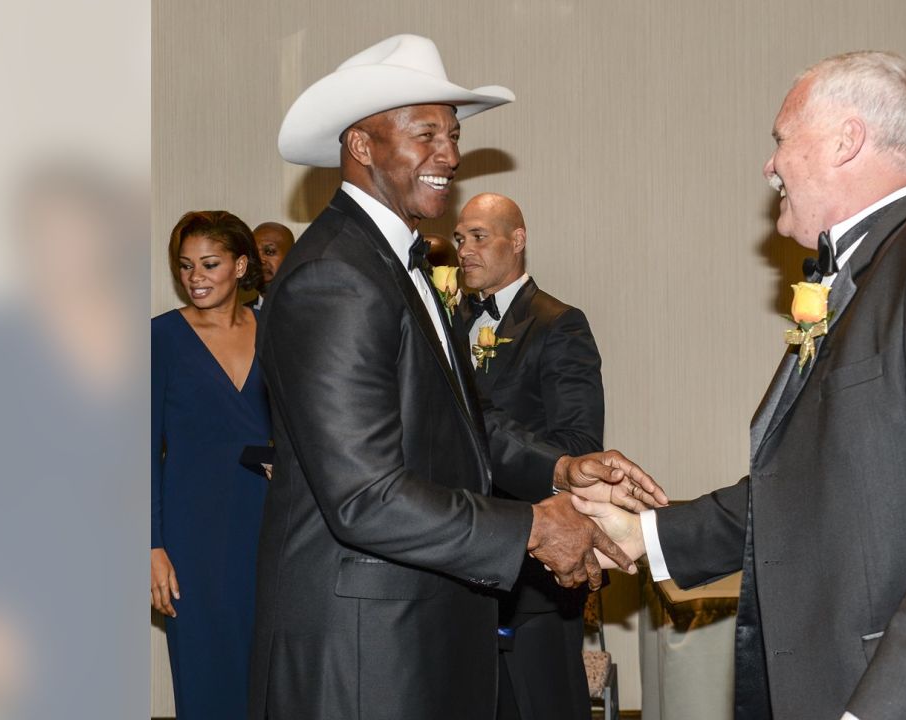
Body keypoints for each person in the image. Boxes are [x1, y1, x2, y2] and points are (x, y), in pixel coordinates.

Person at [577, 51, 906, 718]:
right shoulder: (870, 273)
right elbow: (814, 484)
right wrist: (645, 535)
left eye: (781, 139)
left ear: (846, 139)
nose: (770, 166)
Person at [252, 34, 665, 720]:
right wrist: (531, 527)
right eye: (426, 134)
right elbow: (365, 497)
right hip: (361, 656)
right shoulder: (335, 276)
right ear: (362, 145)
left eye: (451, 133)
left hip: (417, 636)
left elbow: (462, 425)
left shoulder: (393, 266)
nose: (450, 154)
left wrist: (564, 468)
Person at [454, 193, 604, 720]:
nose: (465, 250)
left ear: (517, 240)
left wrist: (491, 434)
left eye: (479, 236)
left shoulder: (559, 324)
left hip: (534, 567)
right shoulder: (445, 326)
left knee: (542, 705)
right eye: (459, 239)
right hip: (458, 558)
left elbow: (579, 446)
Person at [151, 210, 270, 719]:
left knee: (267, 675)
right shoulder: (161, 337)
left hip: (269, 527)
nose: (195, 277)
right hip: (192, 536)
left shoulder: (276, 330)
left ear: (241, 266)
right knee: (206, 675)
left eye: (209, 263)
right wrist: (151, 544)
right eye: (185, 266)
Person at [249, 221, 295, 309]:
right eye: (254, 253)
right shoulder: (239, 316)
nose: (260, 260)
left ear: (292, 256)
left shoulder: (310, 313)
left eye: (269, 252)